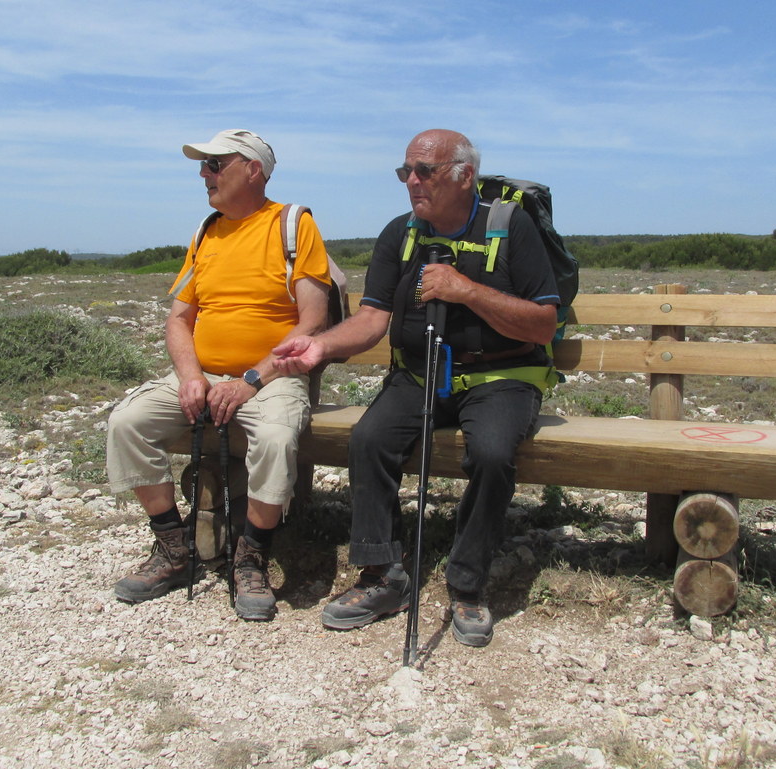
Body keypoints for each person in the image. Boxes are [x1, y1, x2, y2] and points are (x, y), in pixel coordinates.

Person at [274, 129, 560, 647]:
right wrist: (322, 347)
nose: (411, 181)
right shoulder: (399, 234)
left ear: (464, 175)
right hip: (420, 371)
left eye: (424, 171)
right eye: (405, 171)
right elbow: (372, 318)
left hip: (502, 378)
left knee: (493, 454)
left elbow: (543, 324)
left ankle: (468, 585)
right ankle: (384, 575)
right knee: (368, 441)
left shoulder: (510, 228)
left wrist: (465, 290)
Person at [106, 129, 331, 621]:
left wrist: (250, 379)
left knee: (273, 437)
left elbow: (312, 322)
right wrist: (191, 377)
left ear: (253, 170)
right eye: (203, 166)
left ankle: (250, 558)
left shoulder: (293, 224)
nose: (203, 174)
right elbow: (179, 319)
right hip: (206, 374)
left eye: (215, 164)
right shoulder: (206, 231)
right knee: (128, 422)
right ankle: (172, 548)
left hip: (270, 379)